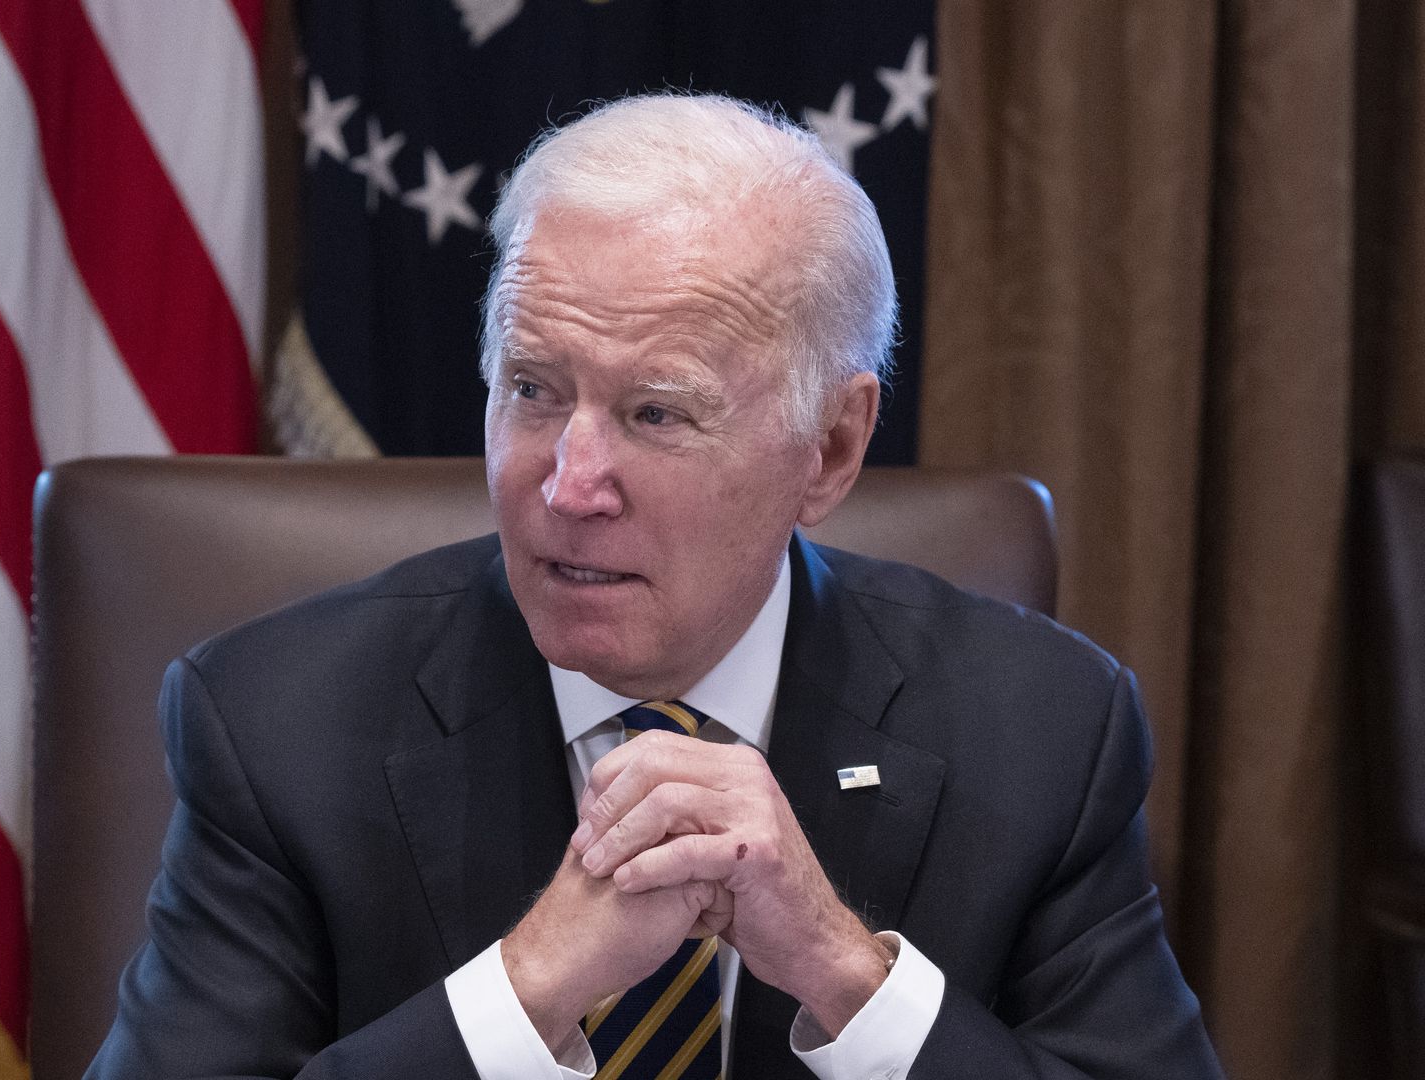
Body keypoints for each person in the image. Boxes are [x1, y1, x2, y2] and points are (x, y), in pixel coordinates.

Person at [87, 93, 1222, 1079]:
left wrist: (845, 972)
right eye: (532, 389)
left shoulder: (1040, 731)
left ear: (827, 450)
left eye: (656, 413)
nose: (570, 485)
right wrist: (523, 993)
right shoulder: (279, 724)